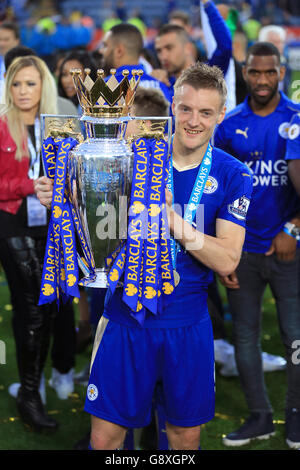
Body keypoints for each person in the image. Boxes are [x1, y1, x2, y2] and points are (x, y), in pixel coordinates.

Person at [73, 62, 252, 450]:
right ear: (173, 105)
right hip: (124, 317)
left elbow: (228, 260)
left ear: (221, 114)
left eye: (206, 112)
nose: (193, 121)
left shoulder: (233, 173)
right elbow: (99, 233)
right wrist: (66, 200)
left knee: (184, 438)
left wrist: (171, 219)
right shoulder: (131, 158)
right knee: (104, 441)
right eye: (186, 108)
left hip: (186, 324)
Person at [214, 42, 300, 449]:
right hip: (243, 252)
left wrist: (295, 228)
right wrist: (222, 250)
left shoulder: (297, 120)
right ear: (245, 73)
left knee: (295, 338)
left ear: (280, 72)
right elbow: (217, 193)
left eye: (270, 72)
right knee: (245, 337)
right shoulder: (230, 125)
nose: (262, 80)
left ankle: (297, 420)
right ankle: (260, 417)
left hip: (289, 251)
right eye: (255, 73)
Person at [0, 55, 60, 432]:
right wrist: (30, 187)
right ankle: (30, 395)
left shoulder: (56, 126)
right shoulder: (2, 126)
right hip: (11, 223)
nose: (23, 91)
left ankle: (30, 385)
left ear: (43, 88)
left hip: (52, 227)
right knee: (33, 308)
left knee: (48, 309)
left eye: (30, 84)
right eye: (17, 84)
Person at [153, 0, 232, 100]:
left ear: (188, 47)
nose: (163, 57)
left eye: (169, 48)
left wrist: (208, 5)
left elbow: (225, 46)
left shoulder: (207, 77)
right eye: (159, 51)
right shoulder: (162, 84)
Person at [99, 23, 171, 105]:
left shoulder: (104, 89)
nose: (100, 50)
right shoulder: (161, 86)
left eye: (105, 46)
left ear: (119, 51)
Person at [0, 21, 20, 101]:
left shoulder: (26, 64)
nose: (1, 44)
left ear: (16, 41)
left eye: (6, 40)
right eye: (0, 39)